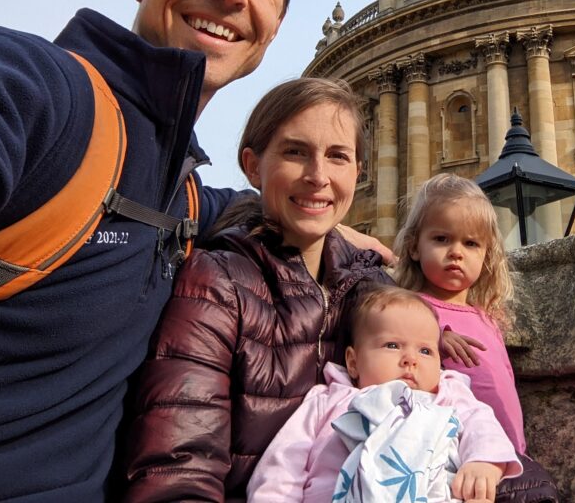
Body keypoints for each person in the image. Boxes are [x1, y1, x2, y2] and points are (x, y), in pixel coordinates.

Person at [0, 0, 301, 501]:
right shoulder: (38, 90)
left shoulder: (178, 187)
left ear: (275, 22)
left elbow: (214, 207)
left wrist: (315, 216)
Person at [124, 77, 393, 501]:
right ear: (253, 166)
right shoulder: (218, 283)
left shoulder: (373, 285)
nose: (318, 176)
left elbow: (448, 419)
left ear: (359, 172)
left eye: (337, 156)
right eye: (295, 152)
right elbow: (180, 469)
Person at [246, 285, 523, 503]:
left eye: (425, 351)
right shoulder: (329, 399)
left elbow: (483, 426)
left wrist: (484, 462)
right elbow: (283, 465)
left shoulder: (448, 394)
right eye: (392, 345)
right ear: (353, 362)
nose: (410, 360)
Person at [392, 173, 560, 503]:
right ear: (414, 246)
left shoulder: (486, 315)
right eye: (442, 239)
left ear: (486, 255)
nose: (457, 252)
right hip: (452, 456)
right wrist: (431, 339)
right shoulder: (411, 308)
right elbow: (391, 347)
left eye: (470, 244)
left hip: (506, 453)